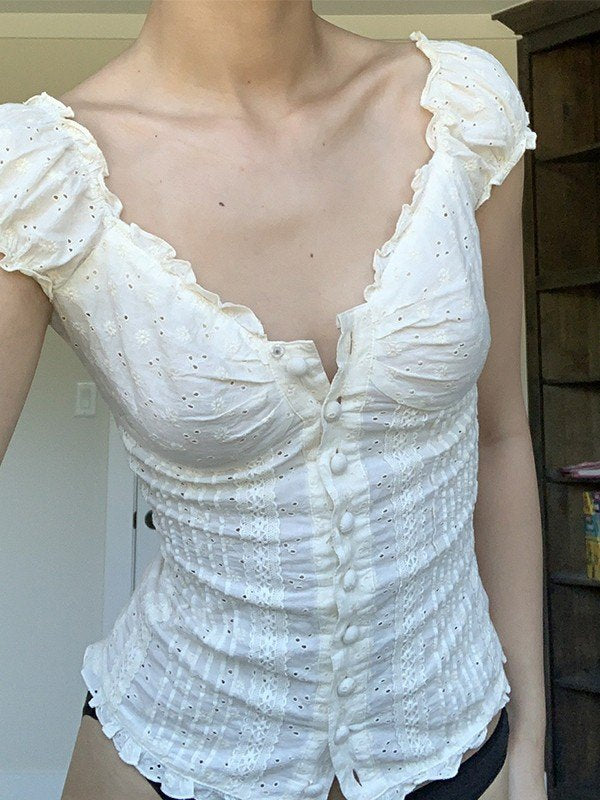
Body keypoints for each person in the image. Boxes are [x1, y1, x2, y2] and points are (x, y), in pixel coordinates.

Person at [0, 2, 546, 799]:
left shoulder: (461, 109)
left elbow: (501, 438)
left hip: (466, 748)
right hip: (170, 757)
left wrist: (530, 744)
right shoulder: (37, 177)